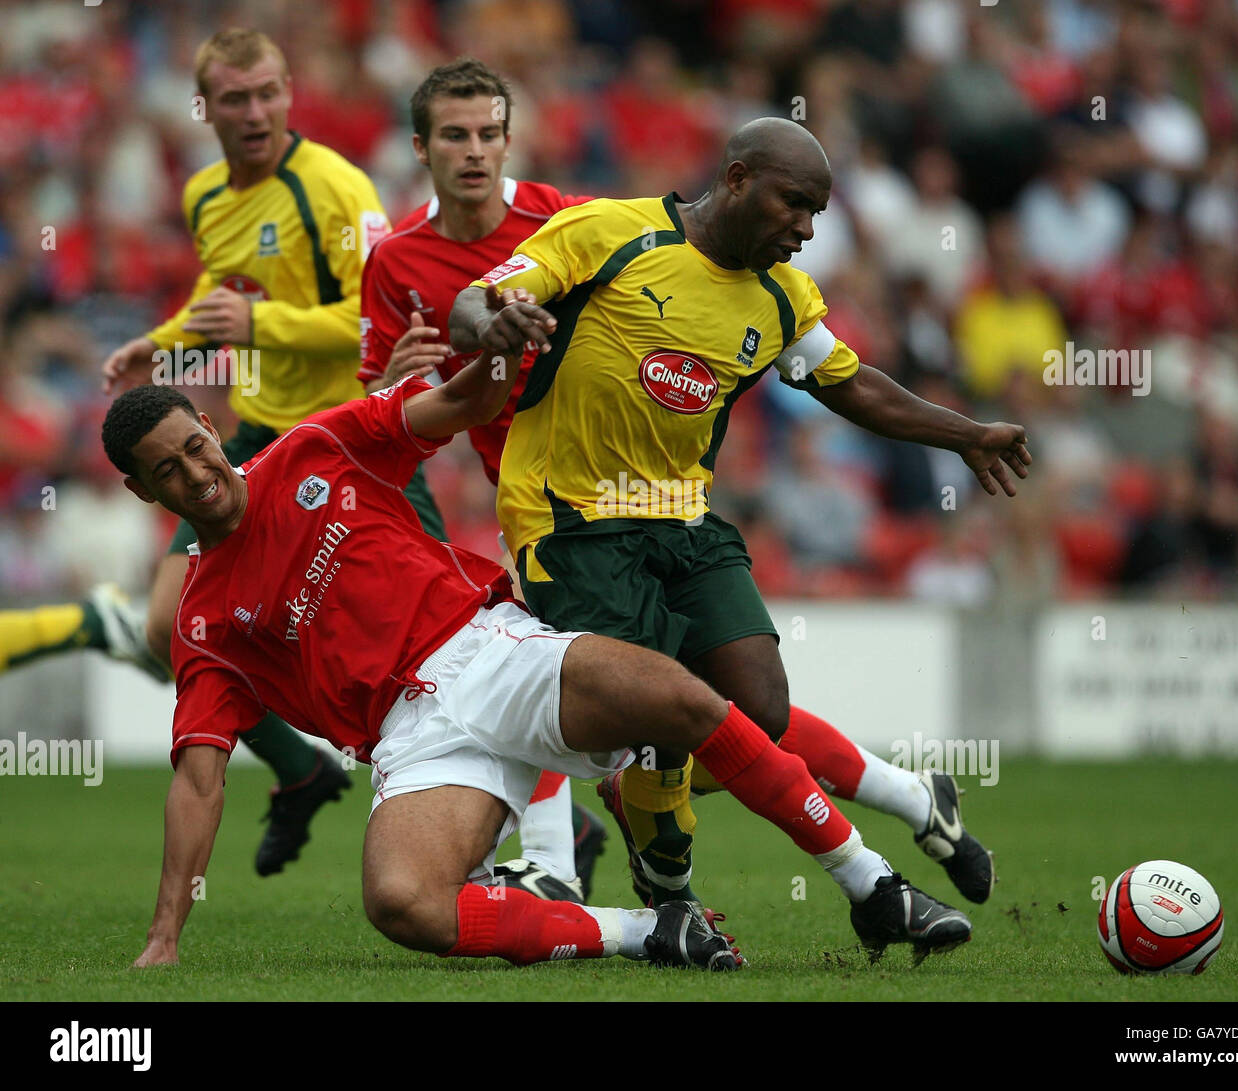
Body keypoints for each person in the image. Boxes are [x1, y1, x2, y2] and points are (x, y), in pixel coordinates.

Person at [108, 324, 973, 970]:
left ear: (213, 429)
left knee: (685, 700)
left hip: (491, 650)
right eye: (168, 471)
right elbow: (199, 778)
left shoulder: (313, 446)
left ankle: (873, 884)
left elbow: (459, 404)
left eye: (196, 446)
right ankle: (645, 930)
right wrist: (163, 936)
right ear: (143, 491)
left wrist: (493, 347)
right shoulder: (202, 621)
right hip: (414, 738)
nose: (196, 473)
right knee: (401, 902)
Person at [448, 118, 1031, 911]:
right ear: (734, 179)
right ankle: (650, 875)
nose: (806, 227)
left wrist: (967, 434)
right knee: (643, 717)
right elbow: (475, 302)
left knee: (757, 708)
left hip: (682, 522)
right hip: (573, 521)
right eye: (794, 203)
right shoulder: (611, 231)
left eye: (817, 213)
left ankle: (639, 816)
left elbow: (851, 385)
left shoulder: (782, 298)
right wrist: (498, 318)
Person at [0, 28, 422, 876]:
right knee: (170, 627)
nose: (255, 111)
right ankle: (301, 768)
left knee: (412, 647)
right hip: (253, 444)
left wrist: (261, 325)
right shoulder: (205, 194)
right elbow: (217, 293)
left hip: (343, 447)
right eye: (235, 98)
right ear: (206, 107)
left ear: (290, 90)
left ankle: (550, 831)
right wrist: (157, 343)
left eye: (267, 92)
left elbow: (384, 316)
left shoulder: (335, 188)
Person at [357, 58, 603, 901]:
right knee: (552, 662)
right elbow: (383, 411)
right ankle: (556, 860)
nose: (474, 151)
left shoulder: (563, 220)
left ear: (508, 140)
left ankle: (558, 854)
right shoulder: (395, 260)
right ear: (420, 147)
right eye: (454, 136)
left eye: (488, 134)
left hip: (625, 477)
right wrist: (392, 378)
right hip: (530, 496)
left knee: (694, 694)